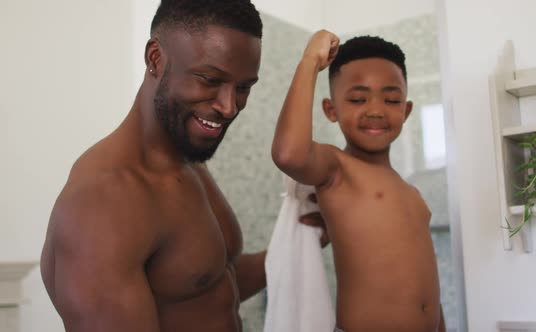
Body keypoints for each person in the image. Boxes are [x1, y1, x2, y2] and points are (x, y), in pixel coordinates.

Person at [40, 1, 323, 331]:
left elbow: (209, 285)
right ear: (155, 59)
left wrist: (306, 237)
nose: (229, 106)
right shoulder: (105, 201)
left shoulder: (186, 160)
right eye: (209, 79)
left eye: (244, 87)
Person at [272, 30, 446, 331]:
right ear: (331, 110)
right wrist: (310, 62)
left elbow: (429, 291)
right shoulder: (338, 169)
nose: (376, 110)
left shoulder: (412, 194)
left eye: (391, 99)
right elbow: (289, 154)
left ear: (406, 111)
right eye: (357, 99)